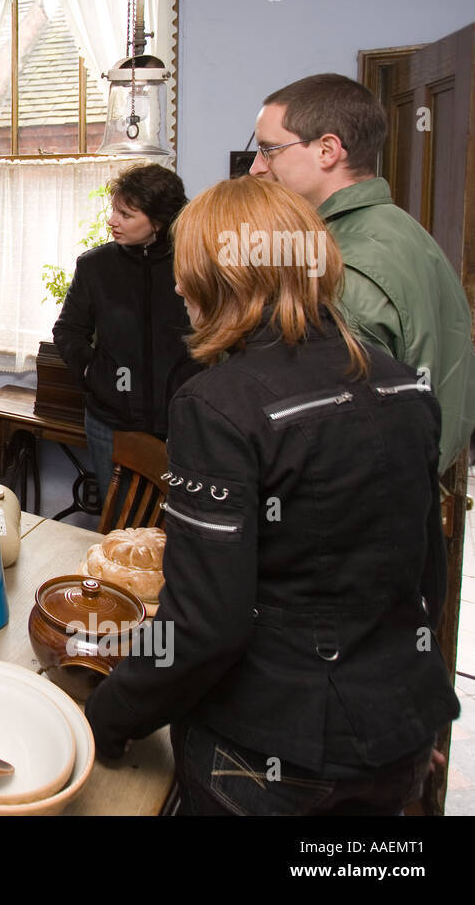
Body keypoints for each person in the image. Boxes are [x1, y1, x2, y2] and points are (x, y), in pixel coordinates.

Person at [83, 176, 460, 815]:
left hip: (269, 756)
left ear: (223, 279)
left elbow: (205, 628)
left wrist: (105, 717)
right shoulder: (403, 385)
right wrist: (407, 714)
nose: (177, 287)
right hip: (394, 734)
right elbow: (423, 574)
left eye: (188, 272)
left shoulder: (218, 404)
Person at [250, 72, 475, 472]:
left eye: (269, 150)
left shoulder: (341, 266)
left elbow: (343, 432)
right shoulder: (406, 231)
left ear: (327, 150)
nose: (256, 168)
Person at [52, 163, 201, 502]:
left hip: (182, 425)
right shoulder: (94, 266)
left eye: (126, 214)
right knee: (119, 526)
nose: (112, 221)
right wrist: (93, 373)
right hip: (111, 423)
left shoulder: (194, 263)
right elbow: (68, 330)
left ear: (158, 221)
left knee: (177, 527)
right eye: (113, 211)